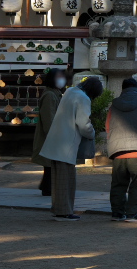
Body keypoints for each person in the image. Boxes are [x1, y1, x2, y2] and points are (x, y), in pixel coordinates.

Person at [39, 76, 103, 221]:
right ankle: (64, 212)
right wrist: (92, 132)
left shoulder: (70, 92)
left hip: (56, 140)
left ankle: (58, 209)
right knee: (66, 181)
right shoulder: (83, 98)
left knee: (57, 180)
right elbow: (84, 124)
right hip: (67, 144)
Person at [106, 77, 137, 222]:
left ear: (123, 89)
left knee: (118, 184)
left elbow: (107, 126)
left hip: (118, 150)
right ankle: (132, 213)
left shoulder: (113, 106)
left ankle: (117, 213)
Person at [32, 68, 68, 196]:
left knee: (50, 165)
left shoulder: (55, 93)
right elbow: (49, 118)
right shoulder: (49, 95)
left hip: (53, 134)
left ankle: (46, 187)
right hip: (50, 135)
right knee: (50, 164)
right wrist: (54, 135)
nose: (61, 79)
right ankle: (47, 188)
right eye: (58, 76)